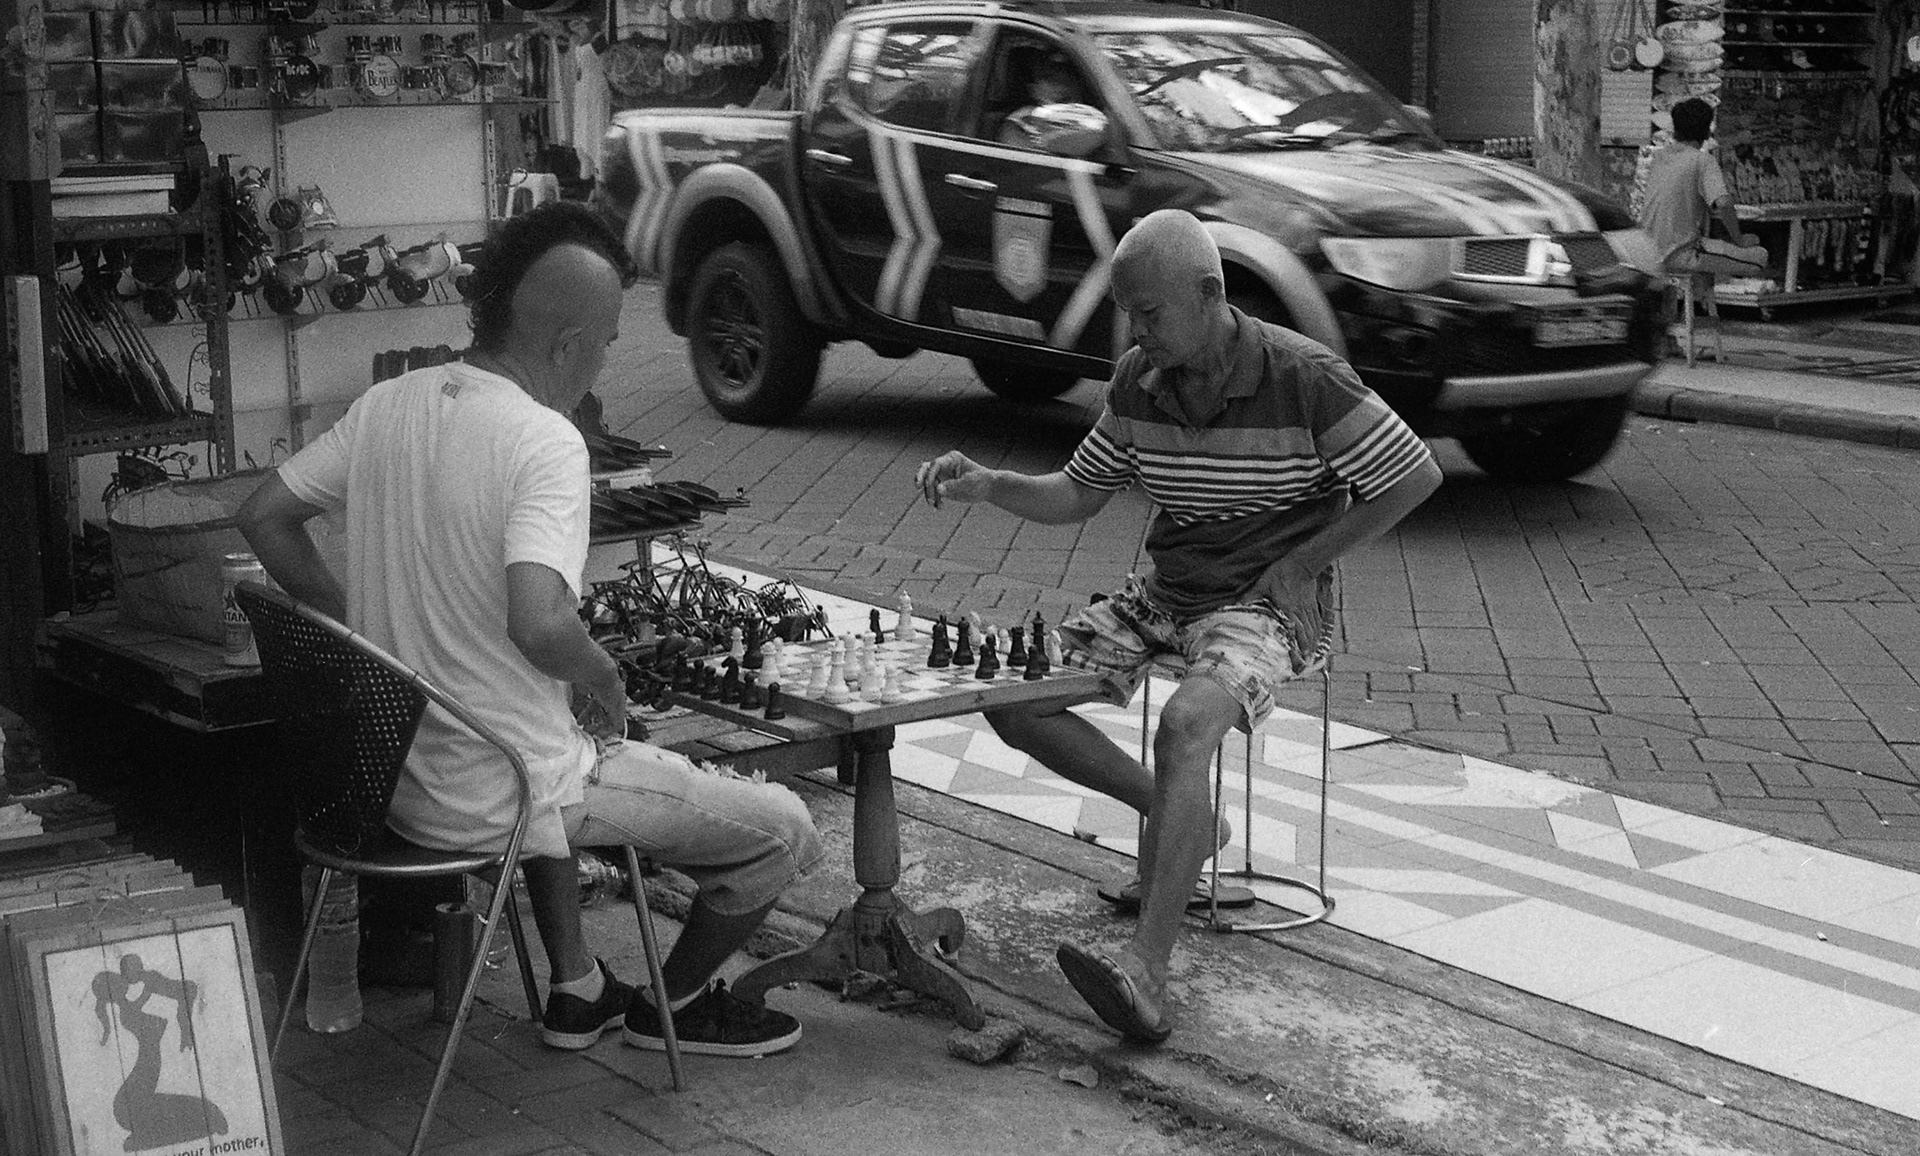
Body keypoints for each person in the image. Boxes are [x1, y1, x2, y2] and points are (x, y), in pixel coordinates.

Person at [237, 202, 823, 1059]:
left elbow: (265, 517)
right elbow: (541, 624)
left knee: (552, 727)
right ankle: (678, 1005)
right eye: (607, 342)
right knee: (785, 830)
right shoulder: (545, 441)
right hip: (500, 792)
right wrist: (605, 679)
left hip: (401, 780)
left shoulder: (388, 404)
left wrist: (358, 630)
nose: (604, 360)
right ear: (565, 345)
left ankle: (576, 990)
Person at [915, 209, 1440, 1043]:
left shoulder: (1305, 376)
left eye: (1151, 313)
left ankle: (1147, 975)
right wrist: (991, 484)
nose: (1137, 331)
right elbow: (1079, 493)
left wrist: (1303, 565)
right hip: (1164, 595)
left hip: (1263, 604)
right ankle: (1185, 822)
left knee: (1186, 725)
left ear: (1209, 294)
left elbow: (1414, 474)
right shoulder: (1139, 379)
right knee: (1011, 695)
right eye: (1128, 313)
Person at [1639, 98, 1769, 278]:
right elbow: (1724, 203)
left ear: (1674, 130)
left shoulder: (1659, 157)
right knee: (1760, 256)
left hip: (1645, 252)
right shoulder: (1703, 161)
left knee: (1716, 246)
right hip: (1678, 254)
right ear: (1708, 133)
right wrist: (1738, 238)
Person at [997, 56, 1104, 153]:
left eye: (1064, 79)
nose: (1059, 86)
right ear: (1033, 89)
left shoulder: (1078, 114)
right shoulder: (1021, 121)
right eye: (1049, 79)